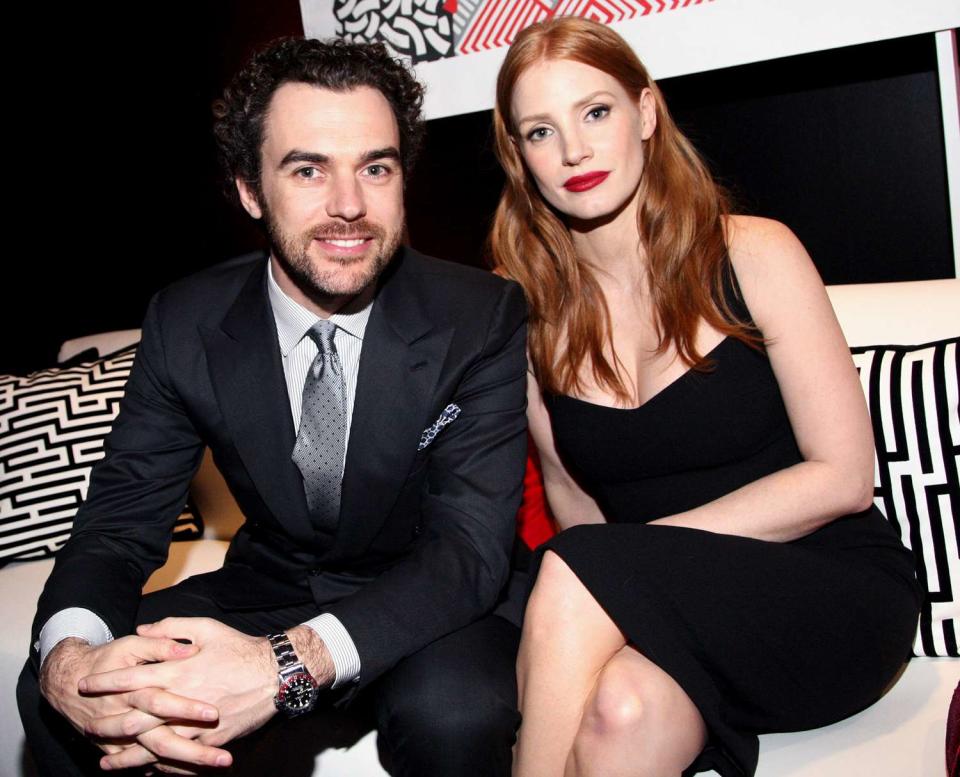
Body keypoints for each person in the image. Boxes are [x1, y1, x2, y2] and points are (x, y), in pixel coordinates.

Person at [18, 36, 527, 777]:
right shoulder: (187, 320)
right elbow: (120, 524)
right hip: (277, 580)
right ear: (251, 190)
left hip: (429, 594)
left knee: (457, 715)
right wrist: (67, 660)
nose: (349, 205)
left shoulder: (479, 315)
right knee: (51, 693)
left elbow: (469, 550)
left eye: (375, 168)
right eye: (308, 169)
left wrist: (285, 664)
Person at [488, 16, 920, 777]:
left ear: (646, 113)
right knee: (621, 710)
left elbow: (846, 476)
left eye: (596, 112)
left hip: (829, 592)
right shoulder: (526, 315)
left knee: (576, 564)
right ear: (518, 155)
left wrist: (639, 559)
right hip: (662, 607)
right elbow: (573, 500)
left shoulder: (755, 252)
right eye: (540, 131)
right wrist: (623, 583)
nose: (575, 150)